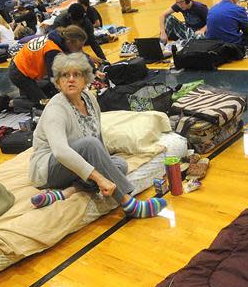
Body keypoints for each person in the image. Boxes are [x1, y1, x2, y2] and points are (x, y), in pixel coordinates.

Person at [28, 53, 167, 218]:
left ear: (85, 79)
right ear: (58, 81)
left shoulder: (90, 99)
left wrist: (105, 167)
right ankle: (129, 203)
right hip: (48, 169)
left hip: (73, 165)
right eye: (65, 75)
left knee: (119, 165)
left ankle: (67, 192)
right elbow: (61, 152)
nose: (70, 79)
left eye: (76, 75)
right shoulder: (55, 109)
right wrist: (100, 178)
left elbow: (98, 136)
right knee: (91, 146)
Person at [9, 25, 88, 105]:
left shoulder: (58, 38)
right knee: (44, 103)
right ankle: (11, 103)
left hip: (21, 67)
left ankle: (22, 102)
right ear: (70, 42)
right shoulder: (53, 51)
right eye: (79, 46)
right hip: (19, 73)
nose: (80, 49)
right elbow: (53, 79)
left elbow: (79, 56)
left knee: (34, 96)